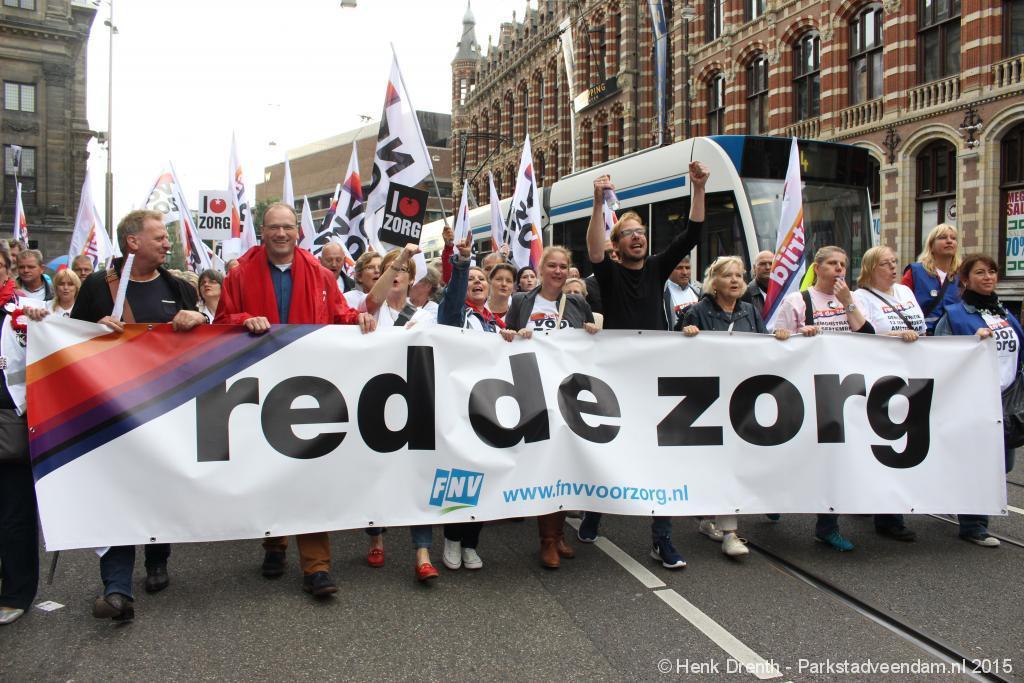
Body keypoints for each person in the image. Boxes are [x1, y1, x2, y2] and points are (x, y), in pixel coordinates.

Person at [215, 202, 373, 597]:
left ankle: (317, 567)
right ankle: (274, 543)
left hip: (308, 386)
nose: (281, 234)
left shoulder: (320, 274)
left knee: (308, 473)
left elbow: (339, 316)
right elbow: (221, 321)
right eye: (274, 227)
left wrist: (359, 319)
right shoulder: (239, 275)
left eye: (288, 227)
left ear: (297, 232)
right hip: (261, 387)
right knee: (268, 468)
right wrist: (244, 320)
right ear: (263, 232)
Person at [71, 209, 207, 621]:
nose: (168, 243)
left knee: (158, 486)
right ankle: (116, 588)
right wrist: (93, 329)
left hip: (166, 411)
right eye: (159, 237)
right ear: (133, 242)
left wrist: (199, 317)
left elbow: (206, 340)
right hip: (113, 413)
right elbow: (68, 344)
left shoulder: (177, 286)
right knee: (116, 493)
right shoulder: (98, 286)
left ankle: (157, 557)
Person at [578, 161, 709, 570]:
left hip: (654, 377)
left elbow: (693, 234)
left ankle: (661, 540)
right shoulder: (608, 273)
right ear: (617, 245)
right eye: (629, 233)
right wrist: (597, 203)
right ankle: (594, 510)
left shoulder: (656, 268)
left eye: (641, 232)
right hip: (617, 376)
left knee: (658, 457)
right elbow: (594, 250)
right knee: (612, 448)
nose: (637, 237)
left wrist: (699, 188)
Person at [361, 235, 474, 582]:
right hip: (377, 405)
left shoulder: (428, 315)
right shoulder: (369, 313)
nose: (396, 275)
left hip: (418, 404)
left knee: (418, 476)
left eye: (404, 271)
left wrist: (461, 263)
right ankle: (376, 536)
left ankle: (422, 552)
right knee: (376, 474)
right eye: (390, 270)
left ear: (413, 279)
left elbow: (453, 310)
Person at [678, 256, 791, 558]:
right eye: (728, 275)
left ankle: (727, 529)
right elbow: (677, 354)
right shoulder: (697, 312)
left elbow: (764, 346)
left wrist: (779, 339)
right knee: (714, 461)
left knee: (731, 460)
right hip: (708, 398)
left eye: (739, 276)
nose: (735, 281)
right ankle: (714, 521)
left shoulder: (749, 311)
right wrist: (687, 336)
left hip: (740, 396)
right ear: (714, 282)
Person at [502, 246, 598, 568]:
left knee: (565, 463)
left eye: (563, 266)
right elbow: (506, 338)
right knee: (546, 463)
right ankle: (547, 540)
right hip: (533, 390)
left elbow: (590, 348)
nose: (558, 271)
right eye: (552, 265)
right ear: (541, 269)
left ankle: (557, 535)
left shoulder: (578, 303)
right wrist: (513, 334)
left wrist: (592, 332)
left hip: (568, 393)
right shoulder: (521, 301)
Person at [771, 245, 871, 551]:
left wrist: (848, 303)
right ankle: (773, 495)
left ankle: (828, 526)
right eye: (832, 264)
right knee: (793, 451)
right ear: (817, 268)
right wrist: (800, 337)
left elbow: (867, 337)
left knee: (833, 457)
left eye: (843, 264)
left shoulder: (851, 299)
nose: (839, 269)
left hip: (839, 390)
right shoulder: (797, 301)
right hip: (802, 390)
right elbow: (776, 344)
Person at [935, 254, 1019, 548]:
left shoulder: (1003, 312)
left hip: (1005, 399)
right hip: (973, 399)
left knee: (1003, 463)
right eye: (980, 273)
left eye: (992, 272)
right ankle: (974, 525)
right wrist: (970, 341)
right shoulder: (955, 315)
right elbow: (940, 354)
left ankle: (958, 498)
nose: (988, 277)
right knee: (980, 462)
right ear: (965, 280)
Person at [0, 244, 47, 626]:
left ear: (8, 270)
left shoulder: (23, 313)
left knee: (14, 513)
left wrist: (43, 324)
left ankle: (15, 592)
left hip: (9, 425)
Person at [902, 223, 961, 334]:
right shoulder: (915, 272)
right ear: (931, 246)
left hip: (954, 337)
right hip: (923, 336)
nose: (949, 241)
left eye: (953, 238)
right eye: (943, 237)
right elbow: (901, 304)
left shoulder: (963, 275)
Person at [663, 255, 701, 330]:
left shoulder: (698, 292)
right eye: (679, 268)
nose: (684, 272)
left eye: (687, 268)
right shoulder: (661, 294)